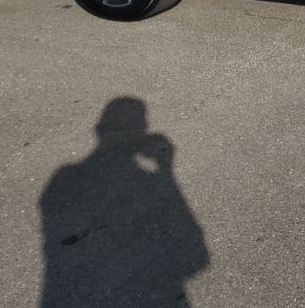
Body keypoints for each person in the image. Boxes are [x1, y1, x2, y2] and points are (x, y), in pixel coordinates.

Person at [38, 97, 209, 307]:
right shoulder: (68, 178)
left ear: (100, 128)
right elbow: (197, 258)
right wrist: (166, 170)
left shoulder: (63, 178)